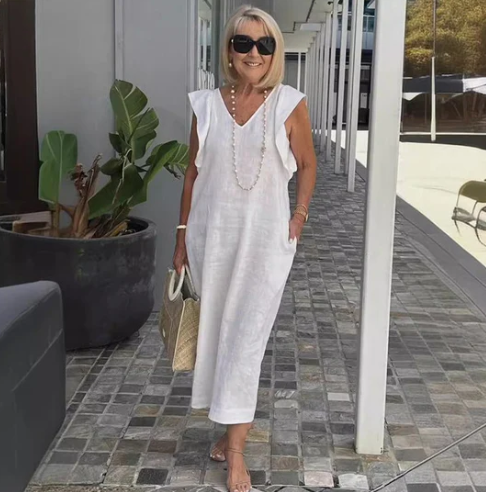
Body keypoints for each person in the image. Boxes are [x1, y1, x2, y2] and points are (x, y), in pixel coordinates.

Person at [173, 5, 316, 492]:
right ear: (229, 51)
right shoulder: (206, 105)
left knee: (246, 340)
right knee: (217, 336)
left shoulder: (290, 103)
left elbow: (308, 164)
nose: (254, 53)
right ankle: (228, 430)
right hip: (210, 241)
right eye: (243, 43)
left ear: (275, 51)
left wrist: (298, 217)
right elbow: (192, 174)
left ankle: (235, 451)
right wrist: (180, 236)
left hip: (264, 246)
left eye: (264, 44)